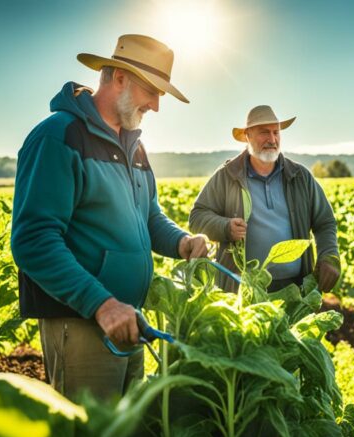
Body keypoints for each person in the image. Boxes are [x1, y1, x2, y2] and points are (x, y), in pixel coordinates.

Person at [10, 34, 208, 401]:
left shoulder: (134, 145)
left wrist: (182, 241)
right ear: (119, 78)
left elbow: (148, 216)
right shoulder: (58, 137)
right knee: (90, 429)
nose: (157, 106)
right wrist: (100, 303)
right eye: (153, 91)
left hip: (127, 319)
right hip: (83, 319)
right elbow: (33, 240)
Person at [189, 105, 340, 293]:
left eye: (276, 132)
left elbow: (324, 222)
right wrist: (225, 227)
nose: (272, 139)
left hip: (295, 288)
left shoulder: (300, 177)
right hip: (243, 289)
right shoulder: (227, 176)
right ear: (247, 136)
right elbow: (197, 217)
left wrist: (329, 255)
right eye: (264, 133)